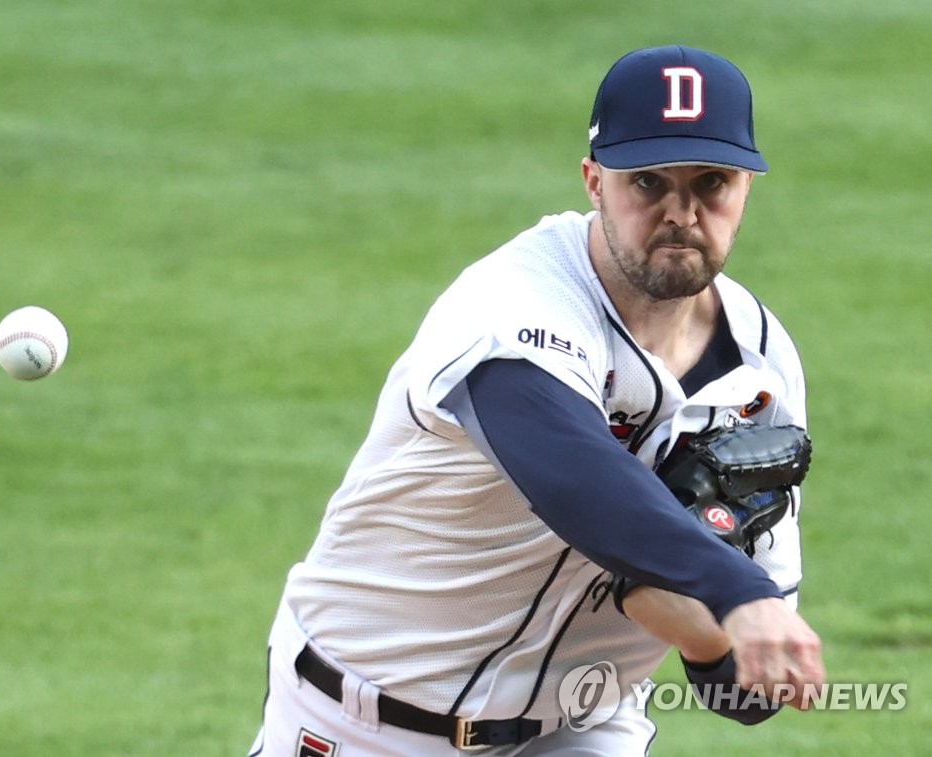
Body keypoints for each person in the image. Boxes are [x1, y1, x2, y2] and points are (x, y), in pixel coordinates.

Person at [247, 45, 824, 756]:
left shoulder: (760, 367)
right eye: (647, 181)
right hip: (368, 718)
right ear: (593, 181)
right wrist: (728, 583)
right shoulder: (514, 301)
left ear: (746, 188)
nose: (682, 212)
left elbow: (745, 694)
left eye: (712, 181)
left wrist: (689, 615)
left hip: (581, 726)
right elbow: (571, 475)